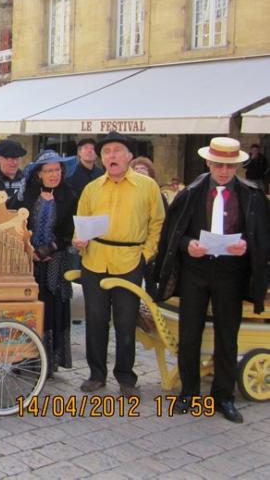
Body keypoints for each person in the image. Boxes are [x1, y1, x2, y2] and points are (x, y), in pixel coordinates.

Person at [152, 137, 269, 424]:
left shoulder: (252, 195)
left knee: (227, 337)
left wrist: (247, 246)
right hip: (195, 271)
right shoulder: (190, 193)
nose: (224, 170)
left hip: (231, 273)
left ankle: (224, 396)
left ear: (238, 165)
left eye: (230, 165)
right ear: (208, 162)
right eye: (218, 164)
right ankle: (189, 394)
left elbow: (263, 238)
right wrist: (188, 244)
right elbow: (172, 235)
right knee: (190, 335)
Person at [72, 131, 164, 397]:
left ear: (129, 156)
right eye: (106, 152)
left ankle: (126, 376)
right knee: (96, 320)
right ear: (101, 158)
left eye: (116, 151)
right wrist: (80, 240)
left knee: (125, 321)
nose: (111, 156)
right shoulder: (92, 188)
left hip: (129, 261)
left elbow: (158, 223)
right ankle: (96, 374)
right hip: (96, 260)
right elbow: (81, 221)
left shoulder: (147, 187)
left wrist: (146, 254)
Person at [8, 150, 75, 375]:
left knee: (53, 308)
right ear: (39, 174)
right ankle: (25, 358)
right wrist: (30, 250)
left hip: (56, 260)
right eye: (49, 171)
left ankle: (49, 361)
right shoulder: (27, 194)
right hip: (28, 261)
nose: (54, 174)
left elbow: (70, 231)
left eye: (57, 170)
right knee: (28, 308)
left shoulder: (69, 195)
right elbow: (12, 220)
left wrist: (50, 248)